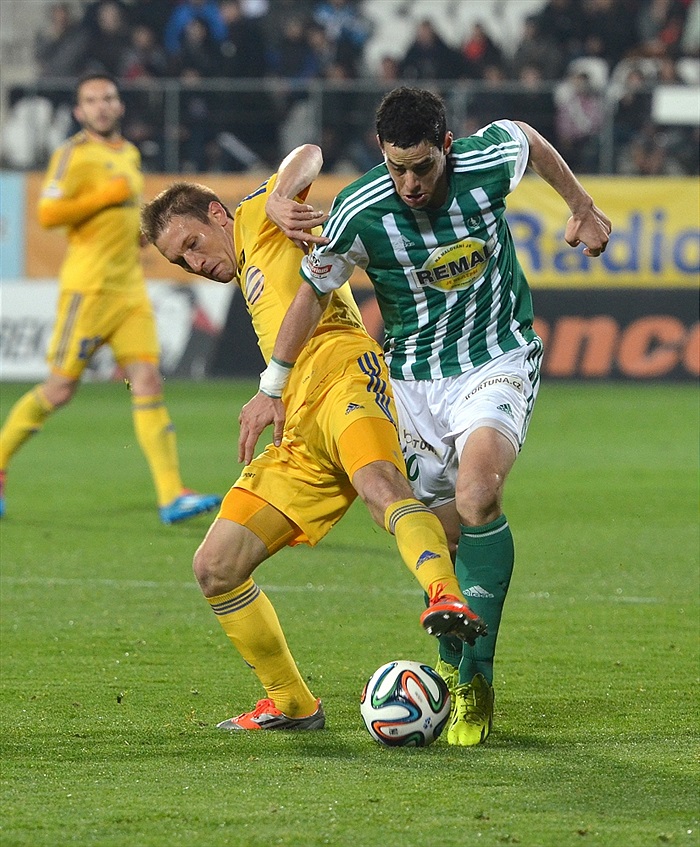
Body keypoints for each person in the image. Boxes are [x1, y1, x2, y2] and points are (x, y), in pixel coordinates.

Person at [239, 87, 612, 746]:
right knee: (437, 534)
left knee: (479, 493)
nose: (410, 184)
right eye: (396, 168)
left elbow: (528, 137)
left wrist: (580, 205)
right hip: (412, 382)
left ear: (446, 147)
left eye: (422, 167)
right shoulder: (359, 210)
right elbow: (311, 293)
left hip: (496, 357)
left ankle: (473, 682)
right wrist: (273, 383)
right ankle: (448, 662)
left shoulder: (485, 162)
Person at [139, 143, 487, 731]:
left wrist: (279, 195)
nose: (195, 263)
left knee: (381, 487)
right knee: (215, 566)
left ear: (217, 214)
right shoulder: (248, 263)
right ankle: (292, 703)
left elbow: (309, 153)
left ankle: (443, 594)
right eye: (182, 261)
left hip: (347, 372)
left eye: (193, 244)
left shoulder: (257, 214)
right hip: (297, 421)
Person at [0, 74, 221, 525]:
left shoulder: (130, 154)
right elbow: (48, 212)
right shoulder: (73, 154)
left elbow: (124, 217)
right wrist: (106, 195)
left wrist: (141, 235)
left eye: (108, 98)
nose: (101, 106)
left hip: (130, 289)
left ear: (119, 105)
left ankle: (171, 495)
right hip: (90, 289)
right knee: (59, 389)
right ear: (79, 112)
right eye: (91, 100)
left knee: (148, 380)